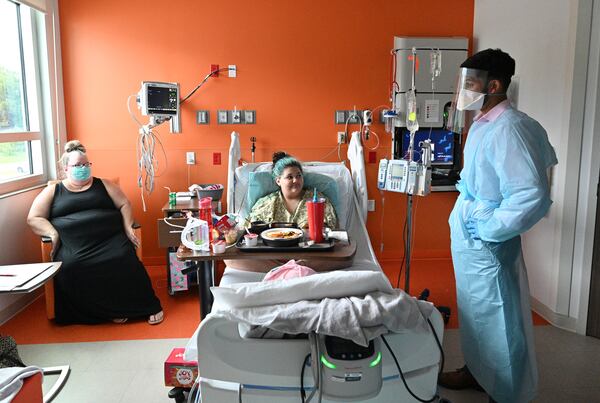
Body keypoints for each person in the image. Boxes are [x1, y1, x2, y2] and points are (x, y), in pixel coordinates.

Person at [441, 49, 558, 403]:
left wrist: (488, 228)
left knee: (500, 318)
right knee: (475, 314)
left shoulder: (512, 128)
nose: (463, 90)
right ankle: (478, 372)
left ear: (494, 85)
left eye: (470, 82)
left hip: (488, 241)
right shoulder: (483, 122)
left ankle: (507, 393)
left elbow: (531, 196)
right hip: (471, 237)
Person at [27, 140, 164, 325]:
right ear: (65, 169)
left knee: (125, 257)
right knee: (71, 266)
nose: (82, 168)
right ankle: (105, 312)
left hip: (110, 239)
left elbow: (124, 204)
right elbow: (34, 217)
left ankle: (148, 306)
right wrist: (53, 234)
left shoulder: (104, 185)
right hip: (74, 244)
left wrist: (127, 226)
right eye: (77, 165)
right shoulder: (53, 190)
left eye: (86, 164)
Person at [225, 151, 340, 273]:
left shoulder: (317, 200)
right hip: (272, 257)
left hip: (308, 256)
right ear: (278, 181)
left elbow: (333, 229)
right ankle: (292, 270)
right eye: (290, 177)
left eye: (299, 175)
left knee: (345, 258)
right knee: (229, 258)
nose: (296, 180)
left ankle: (283, 271)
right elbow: (249, 230)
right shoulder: (266, 203)